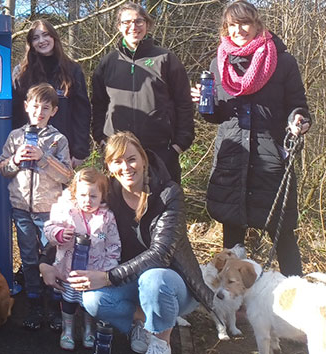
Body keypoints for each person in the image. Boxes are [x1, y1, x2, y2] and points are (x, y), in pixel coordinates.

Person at [40, 131, 213, 354]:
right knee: (92, 299)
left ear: (143, 159)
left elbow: (161, 254)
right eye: (117, 161)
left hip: (170, 282)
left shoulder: (168, 193)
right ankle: (142, 322)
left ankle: (161, 342)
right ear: (109, 166)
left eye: (131, 159)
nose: (126, 167)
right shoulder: (108, 193)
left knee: (153, 279)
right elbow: (74, 223)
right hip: (128, 279)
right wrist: (45, 262)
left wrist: (107, 277)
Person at [191, 0, 311, 276]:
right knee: (232, 239)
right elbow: (218, 116)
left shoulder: (282, 61)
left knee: (282, 234)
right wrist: (205, 105)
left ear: (257, 24)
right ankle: (233, 297)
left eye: (244, 23)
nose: (238, 30)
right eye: (232, 25)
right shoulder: (218, 63)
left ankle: (296, 291)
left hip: (270, 160)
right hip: (233, 159)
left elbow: (298, 105)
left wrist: (299, 120)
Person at [0, 83, 74, 330]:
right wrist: (15, 159)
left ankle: (54, 306)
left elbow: (67, 175)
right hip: (21, 209)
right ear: (26, 107)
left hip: (49, 211)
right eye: (35, 106)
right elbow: (2, 168)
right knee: (29, 259)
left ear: (54, 111)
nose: (39, 112)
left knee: (52, 259)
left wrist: (44, 158)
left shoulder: (58, 140)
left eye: (45, 108)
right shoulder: (15, 136)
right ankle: (34, 305)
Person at [91, 2, 194, 183]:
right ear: (119, 26)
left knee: (164, 200)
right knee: (119, 200)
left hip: (161, 151)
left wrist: (179, 145)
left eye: (139, 21)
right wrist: (101, 139)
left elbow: (184, 102)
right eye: (127, 22)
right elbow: (98, 104)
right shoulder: (108, 62)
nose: (133, 27)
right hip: (118, 153)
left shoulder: (165, 59)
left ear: (147, 24)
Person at [44, 167, 120, 350]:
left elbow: (113, 245)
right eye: (83, 195)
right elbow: (48, 228)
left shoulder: (107, 217)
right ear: (75, 194)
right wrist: (59, 234)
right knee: (69, 301)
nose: (87, 200)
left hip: (94, 273)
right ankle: (68, 330)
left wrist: (106, 270)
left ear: (102, 196)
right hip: (68, 270)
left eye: (93, 196)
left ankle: (88, 330)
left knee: (88, 304)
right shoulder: (66, 211)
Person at [13, 19, 90, 167]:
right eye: (36, 38)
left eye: (45, 35)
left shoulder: (72, 70)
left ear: (54, 37)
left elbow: (82, 113)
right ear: (31, 44)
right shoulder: (21, 73)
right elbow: (15, 114)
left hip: (63, 150)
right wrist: (15, 148)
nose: (42, 41)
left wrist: (80, 151)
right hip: (28, 149)